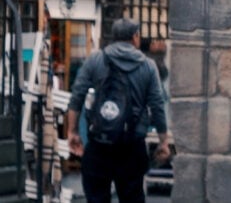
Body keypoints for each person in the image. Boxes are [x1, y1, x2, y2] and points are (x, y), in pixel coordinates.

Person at [66, 18, 170, 203]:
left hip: (99, 144)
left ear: (114, 37)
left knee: (97, 197)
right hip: (132, 146)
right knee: (132, 198)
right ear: (135, 37)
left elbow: (77, 96)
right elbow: (157, 105)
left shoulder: (95, 59)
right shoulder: (148, 66)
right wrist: (163, 141)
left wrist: (73, 131)